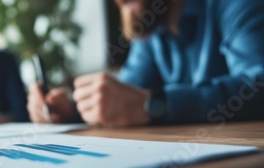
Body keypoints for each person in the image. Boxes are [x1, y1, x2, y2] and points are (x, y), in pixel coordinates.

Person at [28, 0, 264, 126]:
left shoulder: (235, 4)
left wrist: (151, 106)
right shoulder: (150, 30)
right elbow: (126, 98)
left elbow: (258, 85)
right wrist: (70, 108)